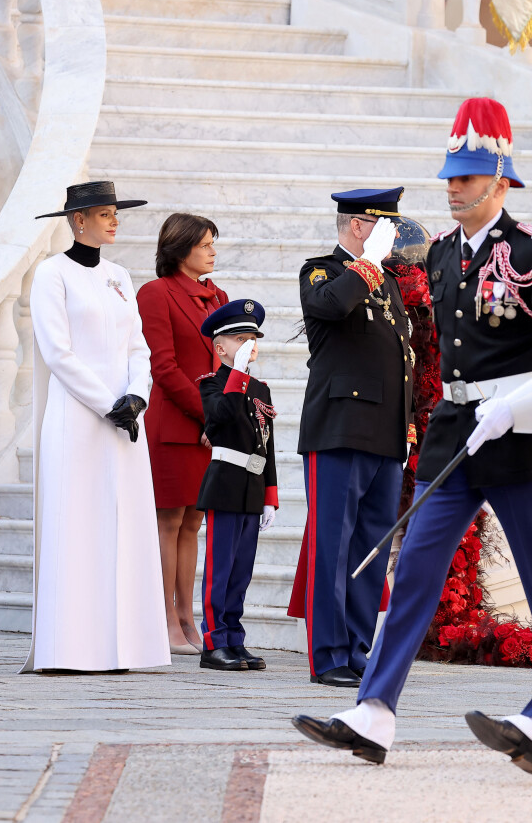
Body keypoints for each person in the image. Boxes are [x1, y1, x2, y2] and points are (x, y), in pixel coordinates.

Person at [292, 97, 532, 778]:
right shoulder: (436, 260)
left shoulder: (530, 255)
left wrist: (519, 405)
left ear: (500, 180)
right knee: (416, 570)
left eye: (466, 176)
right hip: (457, 434)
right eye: (450, 175)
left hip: (518, 435)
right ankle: (375, 708)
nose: (452, 185)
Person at [22, 180, 170, 673]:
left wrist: (136, 395)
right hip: (77, 417)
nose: (113, 221)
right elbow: (57, 352)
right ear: (77, 220)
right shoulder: (51, 274)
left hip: (125, 420)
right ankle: (67, 650)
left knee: (123, 527)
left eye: (114, 212)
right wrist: (108, 402)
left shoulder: (121, 276)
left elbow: (138, 348)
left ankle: (122, 647)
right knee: (77, 525)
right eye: (103, 213)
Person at [290, 188, 415, 688]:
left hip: (385, 435)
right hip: (340, 430)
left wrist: (405, 429)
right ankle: (328, 654)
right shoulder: (322, 271)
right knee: (333, 546)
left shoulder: (385, 281)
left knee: (371, 548)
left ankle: (359, 648)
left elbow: (404, 360)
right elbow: (331, 307)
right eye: (384, 225)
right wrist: (367, 263)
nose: (394, 236)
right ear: (359, 227)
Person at [137, 214, 228, 655]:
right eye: (206, 244)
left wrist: (229, 412)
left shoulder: (219, 298)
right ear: (180, 248)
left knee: (194, 522)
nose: (213, 251)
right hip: (174, 424)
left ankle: (188, 618)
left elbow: (229, 365)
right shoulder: (155, 294)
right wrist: (207, 414)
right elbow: (163, 366)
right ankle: (163, 620)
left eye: (214, 243)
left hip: (211, 430)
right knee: (168, 520)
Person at [196, 299, 278, 671]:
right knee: (220, 568)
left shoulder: (261, 389)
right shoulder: (212, 385)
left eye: (253, 339)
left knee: (242, 570)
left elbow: (267, 444)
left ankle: (234, 638)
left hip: (253, 486)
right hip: (226, 483)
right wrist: (238, 373)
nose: (250, 345)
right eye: (240, 339)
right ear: (220, 347)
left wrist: (271, 497)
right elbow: (222, 418)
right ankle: (214, 642)